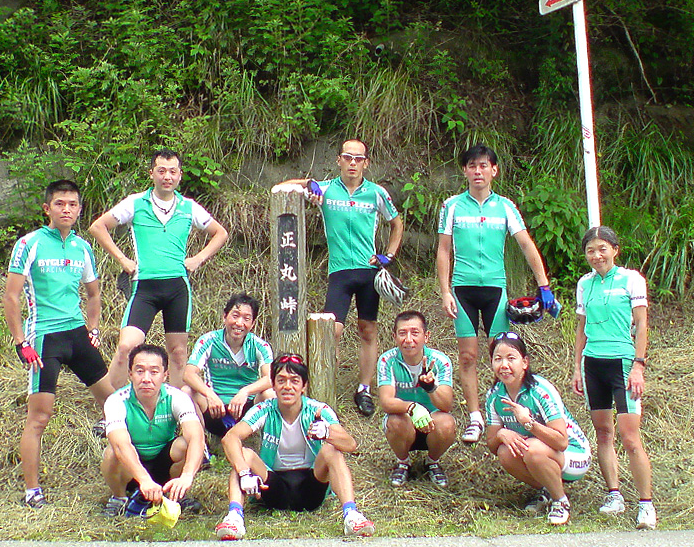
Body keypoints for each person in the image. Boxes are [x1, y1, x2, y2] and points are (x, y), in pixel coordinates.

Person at [3, 179, 115, 509]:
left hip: (77, 333)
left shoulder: (82, 247)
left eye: (72, 204)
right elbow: (11, 297)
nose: (66, 210)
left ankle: (129, 480)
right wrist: (21, 341)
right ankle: (32, 491)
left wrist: (94, 329)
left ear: (79, 209)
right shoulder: (30, 243)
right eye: (59, 204)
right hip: (44, 337)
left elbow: (93, 293)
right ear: (47, 208)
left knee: (114, 404)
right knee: (40, 416)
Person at [436, 144, 554, 443]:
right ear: (465, 171)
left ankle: (498, 412)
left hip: (495, 289)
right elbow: (444, 250)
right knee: (468, 355)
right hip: (462, 289)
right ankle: (475, 417)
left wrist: (544, 285)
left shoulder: (505, 206)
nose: (478, 171)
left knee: (499, 354)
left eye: (483, 166)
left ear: (494, 170)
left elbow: (526, 244)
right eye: (472, 166)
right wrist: (445, 291)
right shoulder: (452, 205)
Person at [277, 139, 403, 417]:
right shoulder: (326, 189)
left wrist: (389, 255)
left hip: (368, 270)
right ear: (339, 160)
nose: (353, 163)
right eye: (347, 157)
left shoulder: (376, 193)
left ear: (366, 163)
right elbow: (282, 187)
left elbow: (396, 223)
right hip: (340, 271)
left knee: (368, 330)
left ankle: (364, 389)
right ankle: (325, 384)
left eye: (358, 158)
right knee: (331, 330)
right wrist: (308, 183)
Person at [89, 148, 228, 388]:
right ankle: (110, 404)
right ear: (151, 173)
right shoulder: (136, 203)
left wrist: (198, 259)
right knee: (126, 346)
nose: (167, 177)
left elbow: (221, 233)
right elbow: (98, 227)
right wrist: (122, 259)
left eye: (173, 171)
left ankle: (174, 405)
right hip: (145, 287)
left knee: (178, 353)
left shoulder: (188, 206)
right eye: (161, 171)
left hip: (177, 287)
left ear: (180, 175)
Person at [214, 353, 375, 540]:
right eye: (281, 380)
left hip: (311, 486)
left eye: (294, 381)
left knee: (331, 450)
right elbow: (230, 438)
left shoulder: (318, 409)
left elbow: (350, 444)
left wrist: (327, 433)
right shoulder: (264, 409)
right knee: (243, 454)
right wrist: (244, 473)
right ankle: (234, 518)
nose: (287, 386)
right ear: (273, 386)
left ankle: (351, 515)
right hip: (273, 485)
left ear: (304, 386)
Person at [573, 226, 656, 529]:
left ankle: (646, 504)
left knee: (630, 437)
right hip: (593, 363)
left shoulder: (631, 279)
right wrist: (576, 367)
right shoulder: (585, 283)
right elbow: (581, 327)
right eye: (590, 250)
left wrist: (638, 366)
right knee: (603, 433)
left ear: (615, 250)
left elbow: (642, 324)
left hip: (622, 362)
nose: (596, 255)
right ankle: (614, 495)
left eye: (602, 249)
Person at [485, 331, 591, 526]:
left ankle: (560, 501)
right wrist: (501, 433)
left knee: (532, 449)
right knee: (504, 452)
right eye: (498, 359)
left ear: (524, 362)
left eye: (511, 358)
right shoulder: (494, 395)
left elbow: (562, 441)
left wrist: (529, 423)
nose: (504, 365)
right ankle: (547, 490)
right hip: (541, 450)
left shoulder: (540, 390)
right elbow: (492, 445)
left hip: (574, 454)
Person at [101, 343, 205, 517]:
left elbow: (197, 437)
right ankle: (119, 497)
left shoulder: (177, 397)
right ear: (130, 374)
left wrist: (187, 476)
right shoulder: (116, 401)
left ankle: (175, 493)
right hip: (131, 468)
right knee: (112, 452)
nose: (146, 379)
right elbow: (120, 445)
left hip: (164, 464)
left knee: (185, 444)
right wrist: (144, 480)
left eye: (154, 372)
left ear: (165, 375)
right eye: (140, 371)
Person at [377, 310, 456, 488]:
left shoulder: (440, 361)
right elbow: (386, 402)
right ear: (394, 337)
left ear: (426, 336)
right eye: (402, 333)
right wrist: (412, 407)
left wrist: (431, 387)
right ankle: (403, 462)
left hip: (433, 424)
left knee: (447, 423)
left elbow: (446, 405)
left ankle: (432, 462)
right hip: (404, 424)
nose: (408, 339)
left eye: (415, 333)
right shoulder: (387, 360)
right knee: (395, 422)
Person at [184, 293, 274, 440]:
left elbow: (270, 378)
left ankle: (267, 444)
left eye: (246, 319)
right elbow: (188, 374)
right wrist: (210, 395)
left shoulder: (259, 345)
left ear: (253, 324)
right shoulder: (209, 340)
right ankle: (199, 443)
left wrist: (245, 392)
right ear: (224, 317)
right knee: (186, 391)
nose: (239, 323)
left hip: (246, 410)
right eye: (235, 316)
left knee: (269, 394)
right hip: (214, 408)